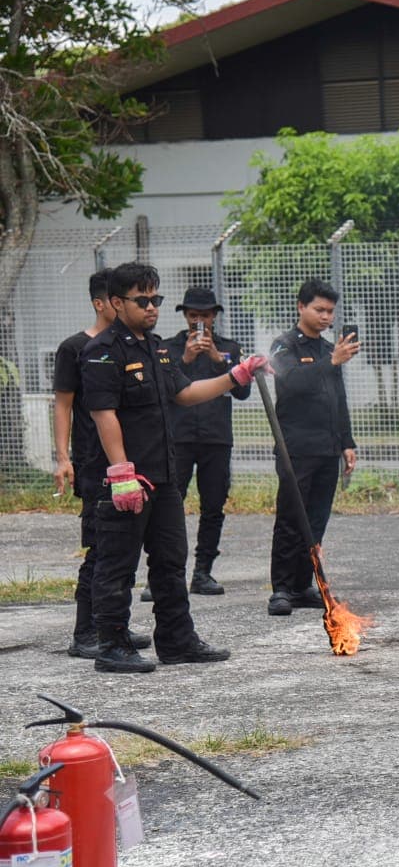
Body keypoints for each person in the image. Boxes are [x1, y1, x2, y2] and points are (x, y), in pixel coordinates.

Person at [81, 263, 268, 673]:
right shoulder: (103, 351)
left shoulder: (157, 348)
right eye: (142, 300)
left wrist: (235, 375)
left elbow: (184, 393)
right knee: (117, 562)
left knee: (170, 560)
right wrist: (121, 473)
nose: (152, 308)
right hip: (127, 479)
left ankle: (177, 640)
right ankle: (112, 643)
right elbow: (103, 414)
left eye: (156, 299)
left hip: (162, 477)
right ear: (116, 303)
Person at [52, 268, 150, 659]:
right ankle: (85, 631)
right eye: (131, 298)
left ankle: (114, 626)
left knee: (127, 548)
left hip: (130, 461)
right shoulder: (75, 348)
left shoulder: (133, 347)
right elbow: (62, 405)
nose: (142, 306)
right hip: (95, 464)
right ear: (104, 302)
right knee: (100, 548)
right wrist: (62, 457)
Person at [266, 278, 358, 617]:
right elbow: (290, 385)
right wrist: (330, 362)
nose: (325, 317)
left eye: (330, 312)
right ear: (301, 307)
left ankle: (304, 584)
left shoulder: (328, 349)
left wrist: (346, 443)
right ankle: (281, 588)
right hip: (296, 450)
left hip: (326, 449)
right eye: (319, 309)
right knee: (291, 517)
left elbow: (338, 399)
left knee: (316, 520)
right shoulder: (284, 346)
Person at [164, 287, 251, 596]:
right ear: (185, 316)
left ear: (214, 316)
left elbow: (243, 392)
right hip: (179, 438)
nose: (198, 321)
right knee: (168, 507)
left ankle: (202, 572)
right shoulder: (168, 348)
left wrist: (217, 359)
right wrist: (186, 359)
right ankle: (162, 574)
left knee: (213, 506)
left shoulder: (229, 347)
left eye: (204, 315)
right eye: (192, 315)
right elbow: (163, 390)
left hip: (216, 438)